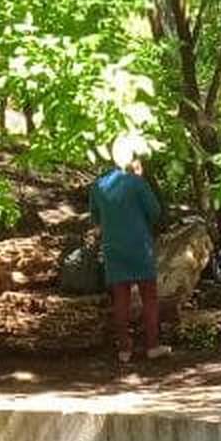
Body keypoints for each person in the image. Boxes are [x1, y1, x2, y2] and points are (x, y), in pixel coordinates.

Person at [88, 136, 167, 366]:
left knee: (120, 300)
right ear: (133, 158)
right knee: (149, 297)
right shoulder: (137, 183)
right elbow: (155, 212)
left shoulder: (99, 185)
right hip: (140, 246)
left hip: (114, 247)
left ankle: (124, 349)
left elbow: (95, 217)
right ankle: (153, 346)